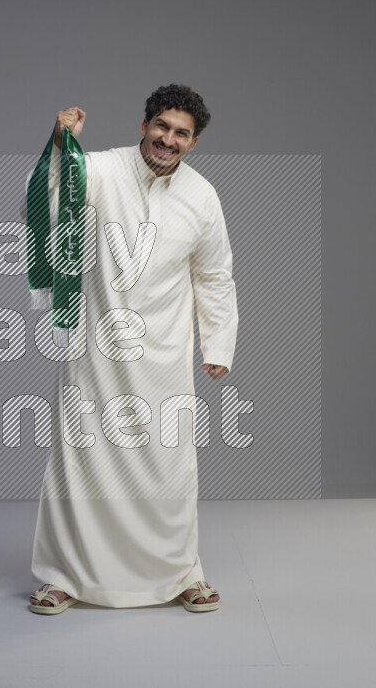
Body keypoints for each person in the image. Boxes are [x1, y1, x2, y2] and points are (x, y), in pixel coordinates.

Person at [24, 84, 238, 614]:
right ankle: (63, 576)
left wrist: (218, 342)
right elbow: (40, 203)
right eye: (161, 126)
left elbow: (214, 274)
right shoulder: (97, 170)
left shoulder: (202, 196)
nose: (169, 139)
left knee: (170, 463)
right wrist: (60, 145)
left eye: (182, 133)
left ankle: (181, 571)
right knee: (80, 459)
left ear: (193, 143)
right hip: (94, 347)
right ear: (144, 125)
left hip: (165, 351)